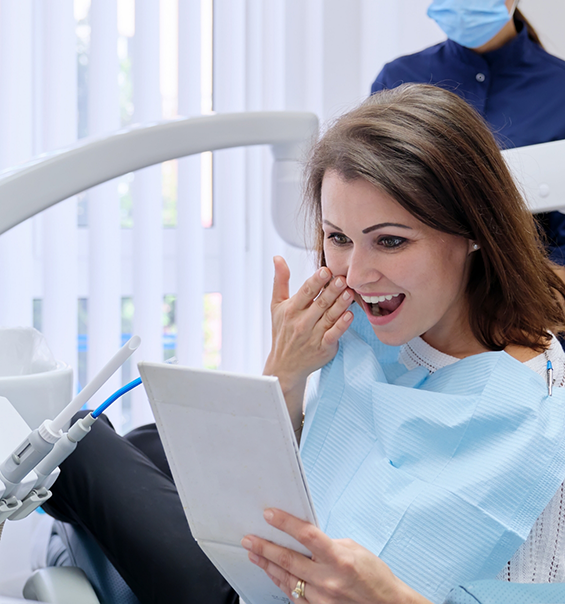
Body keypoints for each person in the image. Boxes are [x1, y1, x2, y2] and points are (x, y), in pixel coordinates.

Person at [44, 84, 565, 604]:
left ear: (475, 230)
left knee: (72, 440)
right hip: (263, 550)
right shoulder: (362, 322)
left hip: (254, 594)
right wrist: (285, 375)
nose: (356, 275)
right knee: (148, 441)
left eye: (390, 240)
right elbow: (297, 466)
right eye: (338, 237)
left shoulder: (534, 409)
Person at [371, 0, 565, 264]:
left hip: (529, 287)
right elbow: (374, 201)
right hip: (414, 280)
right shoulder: (397, 80)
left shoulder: (559, 88)